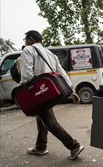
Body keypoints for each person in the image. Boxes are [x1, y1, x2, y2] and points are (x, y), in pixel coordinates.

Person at [20, 30, 84, 160]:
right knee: (42, 117)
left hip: (39, 93)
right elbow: (61, 73)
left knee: (49, 122)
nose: (25, 42)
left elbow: (27, 74)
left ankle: (74, 146)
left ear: (31, 39)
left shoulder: (28, 50)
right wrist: (72, 90)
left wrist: (23, 89)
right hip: (50, 92)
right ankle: (40, 147)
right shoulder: (50, 53)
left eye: (26, 39)